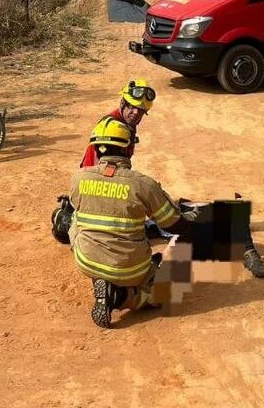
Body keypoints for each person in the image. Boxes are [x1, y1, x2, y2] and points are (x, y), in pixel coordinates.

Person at [70, 116, 191, 328]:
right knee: (171, 284)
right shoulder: (142, 185)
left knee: (75, 218)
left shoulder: (78, 178)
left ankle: (104, 278)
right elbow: (173, 224)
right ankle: (121, 296)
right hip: (130, 269)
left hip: (85, 259)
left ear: (96, 150)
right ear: (129, 150)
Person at [80, 79, 155, 168]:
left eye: (141, 110)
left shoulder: (128, 123)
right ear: (122, 103)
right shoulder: (110, 128)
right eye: (132, 106)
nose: (136, 113)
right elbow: (100, 165)